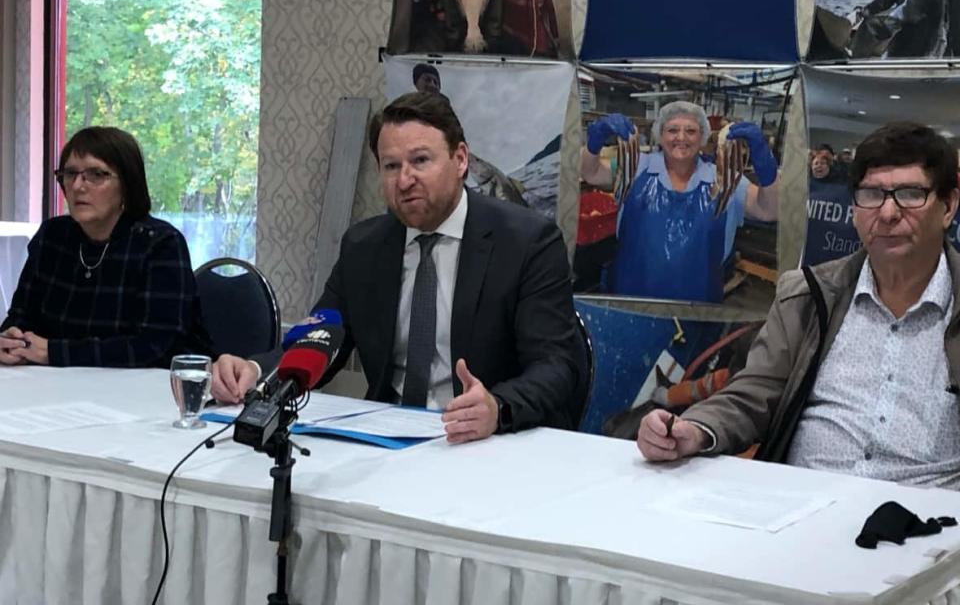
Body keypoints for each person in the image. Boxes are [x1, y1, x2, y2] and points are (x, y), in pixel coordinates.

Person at [212, 92, 586, 443]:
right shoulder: (364, 246)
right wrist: (256, 371)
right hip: (386, 437)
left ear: (460, 160)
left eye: (421, 161)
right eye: (391, 166)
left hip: (486, 442)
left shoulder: (527, 242)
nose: (404, 180)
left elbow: (556, 367)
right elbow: (321, 340)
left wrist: (498, 407)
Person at [638, 122, 960, 489]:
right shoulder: (809, 296)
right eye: (871, 195)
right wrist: (695, 429)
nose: (887, 213)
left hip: (932, 523)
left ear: (948, 206)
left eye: (909, 193)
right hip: (805, 505)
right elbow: (756, 392)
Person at [0, 127, 211, 368]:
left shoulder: (160, 244)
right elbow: (21, 316)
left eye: (96, 174)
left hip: (146, 391)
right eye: (70, 174)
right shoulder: (53, 235)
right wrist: (10, 340)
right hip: (57, 385)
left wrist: (54, 352)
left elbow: (155, 346)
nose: (78, 186)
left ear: (127, 184)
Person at [579, 102, 779, 302]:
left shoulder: (724, 180)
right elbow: (591, 172)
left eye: (690, 131)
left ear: (702, 137)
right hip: (630, 307)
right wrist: (593, 143)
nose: (681, 137)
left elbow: (769, 210)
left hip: (698, 314)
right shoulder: (635, 167)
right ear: (660, 134)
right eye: (672, 130)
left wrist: (766, 164)